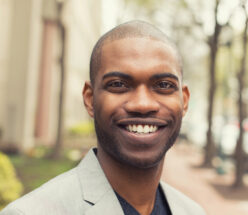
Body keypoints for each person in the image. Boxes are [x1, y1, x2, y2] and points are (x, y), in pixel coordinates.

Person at [0, 20, 206, 215]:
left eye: (163, 85)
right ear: (90, 99)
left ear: (184, 101)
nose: (143, 105)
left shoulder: (192, 211)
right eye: (118, 84)